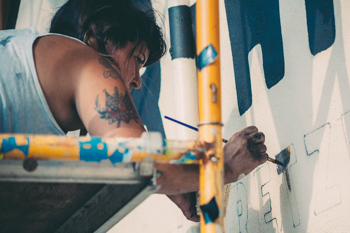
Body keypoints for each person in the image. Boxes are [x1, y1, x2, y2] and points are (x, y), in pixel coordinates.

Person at [0, 0, 268, 222]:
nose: (138, 81)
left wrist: (171, 175)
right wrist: (225, 166)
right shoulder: (89, 60)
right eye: (137, 60)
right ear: (100, 37)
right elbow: (136, 160)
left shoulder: (20, 50)